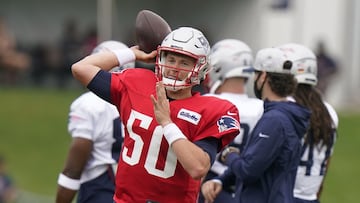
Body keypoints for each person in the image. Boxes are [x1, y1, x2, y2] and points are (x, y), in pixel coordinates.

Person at [71, 27, 240, 203]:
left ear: (200, 68)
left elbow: (198, 168)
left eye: (184, 63)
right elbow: (81, 68)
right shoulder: (137, 83)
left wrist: (167, 123)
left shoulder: (210, 109)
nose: (174, 68)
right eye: (171, 59)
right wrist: (131, 54)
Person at [201, 47, 311, 203]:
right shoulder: (282, 114)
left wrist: (229, 155)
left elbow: (248, 170)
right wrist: (222, 180)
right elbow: (258, 161)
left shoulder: (275, 119)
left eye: (256, 74)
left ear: (263, 76)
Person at [56, 40, 133, 203]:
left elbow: (73, 168)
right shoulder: (142, 101)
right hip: (133, 192)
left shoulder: (89, 104)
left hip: (100, 188)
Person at [198, 39, 263, 203]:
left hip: (209, 188)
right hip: (246, 187)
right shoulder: (262, 108)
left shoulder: (207, 102)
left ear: (219, 68)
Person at [278, 43, 339, 203]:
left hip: (282, 195)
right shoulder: (328, 111)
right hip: (310, 195)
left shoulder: (282, 108)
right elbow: (326, 161)